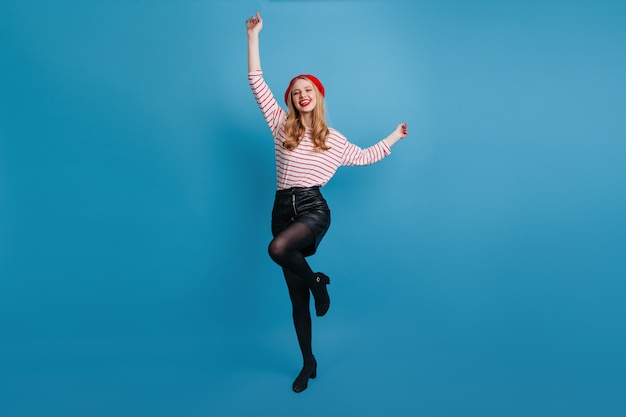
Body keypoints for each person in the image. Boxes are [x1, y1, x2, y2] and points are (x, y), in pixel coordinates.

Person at [245, 11, 409, 393]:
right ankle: (308, 363)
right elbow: (256, 82)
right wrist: (254, 37)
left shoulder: (332, 138)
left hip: (313, 210)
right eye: (296, 91)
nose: (302, 95)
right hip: (281, 208)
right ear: (291, 99)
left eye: (309, 90)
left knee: (278, 249)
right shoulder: (280, 126)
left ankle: (319, 282)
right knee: (296, 298)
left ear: (317, 97)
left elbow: (367, 155)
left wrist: (395, 136)